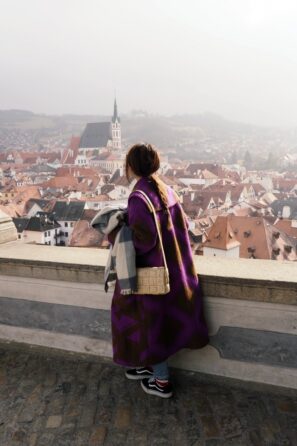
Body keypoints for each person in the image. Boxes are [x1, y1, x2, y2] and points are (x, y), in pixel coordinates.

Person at [109, 143, 209, 398]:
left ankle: (161, 380)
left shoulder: (139, 197)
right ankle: (145, 366)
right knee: (160, 323)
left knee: (149, 323)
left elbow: (142, 241)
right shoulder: (167, 190)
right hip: (176, 271)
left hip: (150, 274)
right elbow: (182, 226)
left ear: (130, 166)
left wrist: (117, 231)